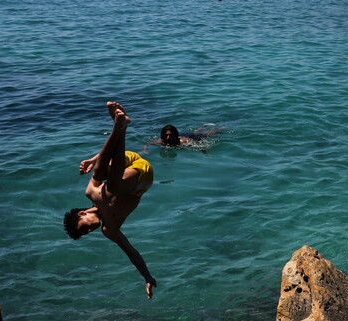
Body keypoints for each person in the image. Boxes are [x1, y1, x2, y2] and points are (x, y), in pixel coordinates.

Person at [63, 102, 157, 299]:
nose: (90, 230)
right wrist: (147, 277)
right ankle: (120, 128)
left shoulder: (91, 193)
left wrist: (91, 160)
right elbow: (131, 252)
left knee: (100, 177)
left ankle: (120, 125)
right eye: (86, 232)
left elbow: (104, 164)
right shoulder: (110, 229)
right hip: (142, 178)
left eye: (84, 227)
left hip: (127, 161)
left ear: (82, 213)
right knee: (112, 187)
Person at [141, 124, 226, 154]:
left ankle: (222, 128)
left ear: (174, 135)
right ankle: (202, 126)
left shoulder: (182, 141)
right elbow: (147, 143)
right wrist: (144, 150)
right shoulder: (162, 141)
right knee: (196, 132)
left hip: (191, 138)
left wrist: (204, 152)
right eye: (166, 135)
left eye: (170, 135)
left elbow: (199, 145)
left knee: (205, 134)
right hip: (185, 135)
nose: (168, 137)